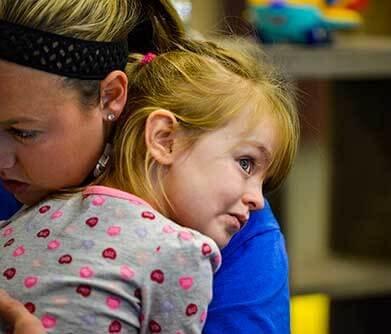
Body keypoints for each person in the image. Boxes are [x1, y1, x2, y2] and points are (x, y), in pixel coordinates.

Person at [0, 0, 295, 332]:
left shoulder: (231, 231)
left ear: (111, 97)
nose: (2, 159)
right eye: (245, 164)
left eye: (24, 132)